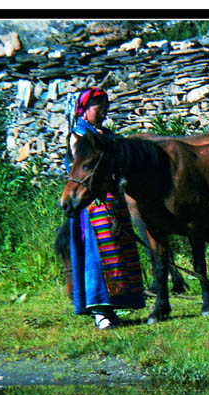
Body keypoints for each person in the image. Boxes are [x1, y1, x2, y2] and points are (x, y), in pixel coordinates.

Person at [64, 87, 145, 330]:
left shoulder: (105, 135)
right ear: (84, 110)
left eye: (104, 109)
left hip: (113, 198)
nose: (103, 113)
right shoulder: (79, 135)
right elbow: (84, 168)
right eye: (98, 109)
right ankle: (99, 310)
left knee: (118, 252)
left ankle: (113, 306)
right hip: (91, 203)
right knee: (97, 255)